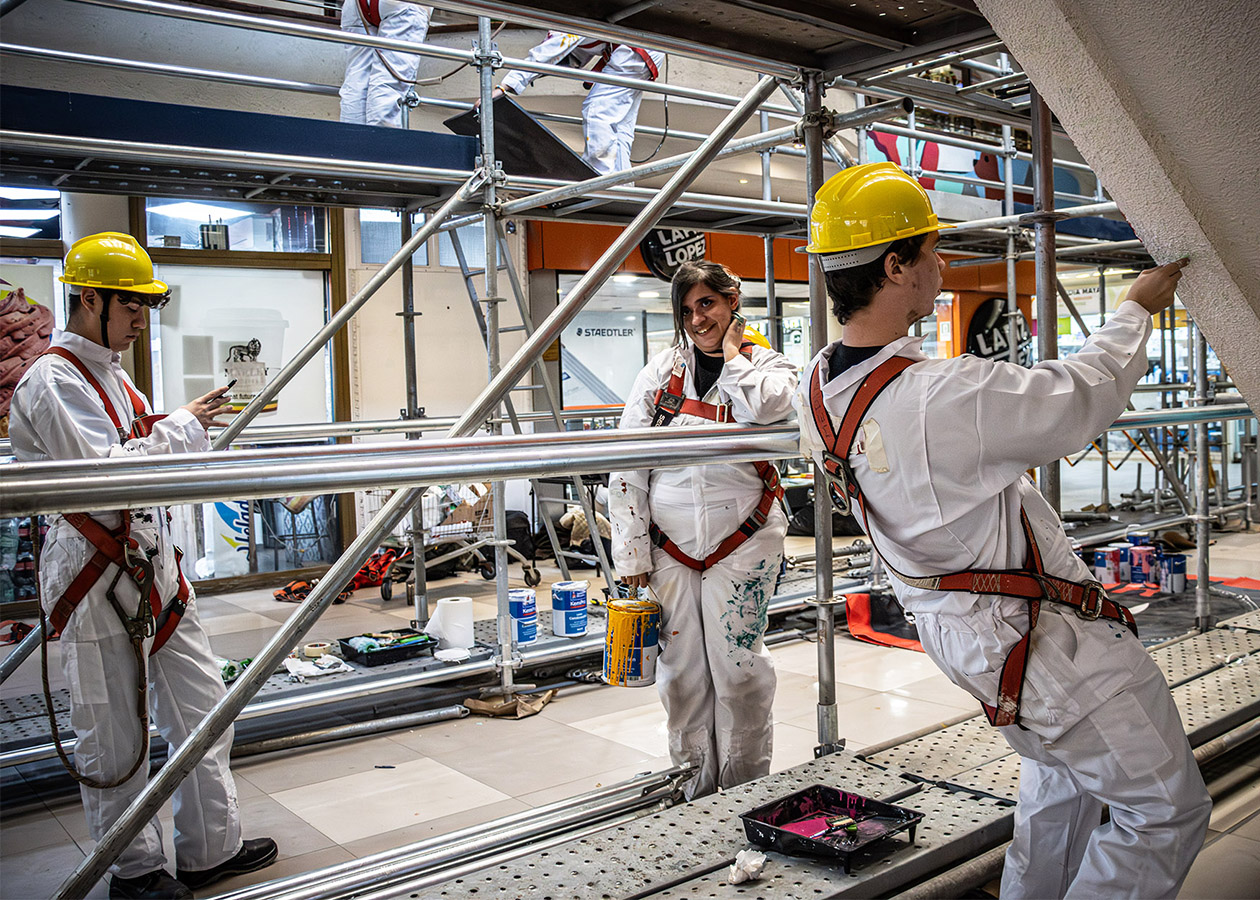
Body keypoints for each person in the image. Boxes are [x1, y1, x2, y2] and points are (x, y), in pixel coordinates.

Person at [796, 162, 1210, 899]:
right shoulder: (940, 397)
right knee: (1162, 813)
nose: (941, 263)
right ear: (895, 266)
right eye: (929, 251)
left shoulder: (819, 391)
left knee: (1061, 787)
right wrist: (1136, 308)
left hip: (974, 642)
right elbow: (1079, 395)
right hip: (1046, 645)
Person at [9, 233, 277, 900]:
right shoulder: (51, 379)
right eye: (130, 307)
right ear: (91, 298)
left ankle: (211, 847)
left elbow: (134, 447)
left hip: (151, 563)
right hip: (93, 572)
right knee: (112, 731)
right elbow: (107, 480)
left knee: (202, 710)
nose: (139, 321)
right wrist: (181, 426)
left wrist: (182, 425)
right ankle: (135, 872)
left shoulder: (112, 374)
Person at [609, 261, 797, 799]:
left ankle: (743, 792)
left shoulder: (768, 366)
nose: (697, 318)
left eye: (707, 304)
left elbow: (769, 407)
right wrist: (633, 556)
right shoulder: (659, 376)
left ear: (732, 298)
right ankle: (691, 792)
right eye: (687, 310)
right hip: (669, 551)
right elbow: (626, 465)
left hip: (745, 543)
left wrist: (734, 358)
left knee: (738, 672)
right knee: (683, 679)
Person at [493, 33, 665, 174]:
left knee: (597, 112)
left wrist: (505, 86)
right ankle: (622, 183)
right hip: (641, 47)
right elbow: (573, 55)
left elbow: (547, 53)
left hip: (633, 50)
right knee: (619, 126)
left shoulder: (567, 22)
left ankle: (600, 178)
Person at [339, 0, 433, 127]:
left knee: (356, 83)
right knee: (388, 88)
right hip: (402, 4)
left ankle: (350, 141)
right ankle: (383, 144)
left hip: (356, 5)